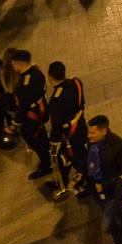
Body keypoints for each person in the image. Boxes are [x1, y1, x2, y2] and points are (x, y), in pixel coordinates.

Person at [46, 60, 86, 199]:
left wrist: (53, 142)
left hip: (68, 135)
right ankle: (83, 179)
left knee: (72, 158)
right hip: (80, 126)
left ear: (50, 77)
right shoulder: (76, 82)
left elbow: (57, 125)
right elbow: (82, 104)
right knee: (81, 153)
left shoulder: (56, 100)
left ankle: (82, 183)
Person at [10, 49, 53, 179]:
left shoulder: (25, 84)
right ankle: (47, 155)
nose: (13, 67)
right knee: (42, 137)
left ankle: (46, 165)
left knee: (34, 140)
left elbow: (23, 107)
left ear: (19, 63)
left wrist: (14, 124)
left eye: (14, 64)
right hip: (40, 108)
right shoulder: (36, 71)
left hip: (31, 116)